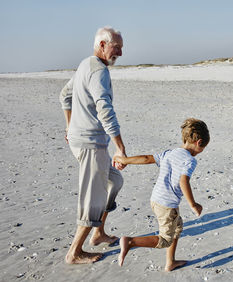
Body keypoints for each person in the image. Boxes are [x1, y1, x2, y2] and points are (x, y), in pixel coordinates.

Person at [59, 26, 127, 264]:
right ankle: (74, 252)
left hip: (83, 140)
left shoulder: (84, 64)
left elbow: (64, 95)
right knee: (93, 199)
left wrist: (69, 126)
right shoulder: (98, 71)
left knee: (114, 181)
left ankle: (97, 233)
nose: (120, 52)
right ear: (101, 45)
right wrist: (120, 148)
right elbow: (105, 110)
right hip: (90, 143)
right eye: (116, 47)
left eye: (121, 47)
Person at [114, 118, 210, 271]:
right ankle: (130, 242)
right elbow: (183, 181)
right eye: (203, 148)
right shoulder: (190, 161)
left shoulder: (170, 153)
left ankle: (170, 262)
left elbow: (147, 159)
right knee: (165, 239)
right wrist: (193, 204)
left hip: (156, 200)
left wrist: (125, 160)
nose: (201, 152)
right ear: (199, 143)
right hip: (167, 205)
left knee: (177, 227)